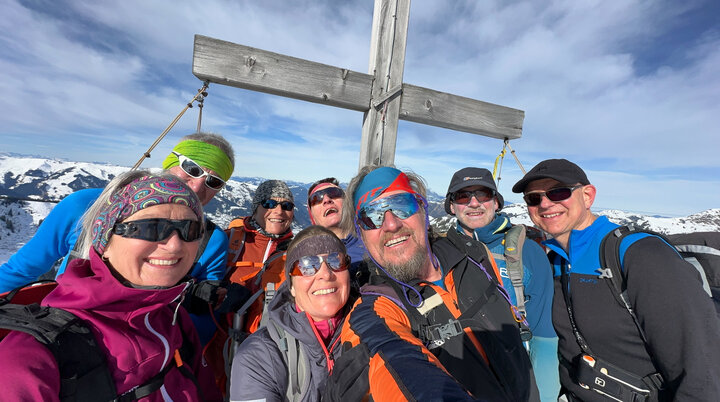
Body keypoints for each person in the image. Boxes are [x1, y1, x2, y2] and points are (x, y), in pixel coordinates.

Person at [0, 171, 222, 401]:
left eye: (191, 230)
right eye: (150, 228)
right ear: (105, 241)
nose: (175, 245)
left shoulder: (173, 318)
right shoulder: (29, 358)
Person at [512, 158, 720, 401]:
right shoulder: (555, 262)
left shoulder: (640, 254)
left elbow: (701, 366)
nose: (546, 204)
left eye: (559, 192)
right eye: (533, 198)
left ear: (588, 196)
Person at [325, 166, 538, 401]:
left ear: (423, 211)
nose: (391, 224)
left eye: (401, 205)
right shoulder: (374, 313)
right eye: (371, 216)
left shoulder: (477, 258)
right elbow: (395, 365)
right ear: (361, 233)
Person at [0, 132, 234, 293]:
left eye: (213, 182)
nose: (196, 186)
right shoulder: (86, 205)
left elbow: (203, 316)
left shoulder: (211, 240)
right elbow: (22, 270)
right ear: (169, 163)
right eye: (191, 168)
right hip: (64, 335)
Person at [444, 167, 559, 401]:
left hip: (513, 380)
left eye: (483, 194)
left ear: (496, 202)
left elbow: (544, 336)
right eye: (463, 196)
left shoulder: (527, 253)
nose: (474, 203)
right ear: (452, 206)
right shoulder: (439, 253)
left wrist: (544, 396)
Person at [229, 225, 356, 401]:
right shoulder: (258, 356)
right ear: (292, 287)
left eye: (336, 261)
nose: (325, 274)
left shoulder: (375, 332)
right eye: (307, 265)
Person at [205, 179, 296, 392]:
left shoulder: (296, 252)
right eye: (269, 203)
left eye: (287, 206)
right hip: (213, 351)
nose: (279, 211)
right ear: (255, 207)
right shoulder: (228, 240)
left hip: (262, 356)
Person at [307, 177, 366, 282]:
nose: (326, 200)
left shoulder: (371, 238)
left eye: (334, 193)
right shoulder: (308, 258)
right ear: (313, 218)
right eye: (316, 199)